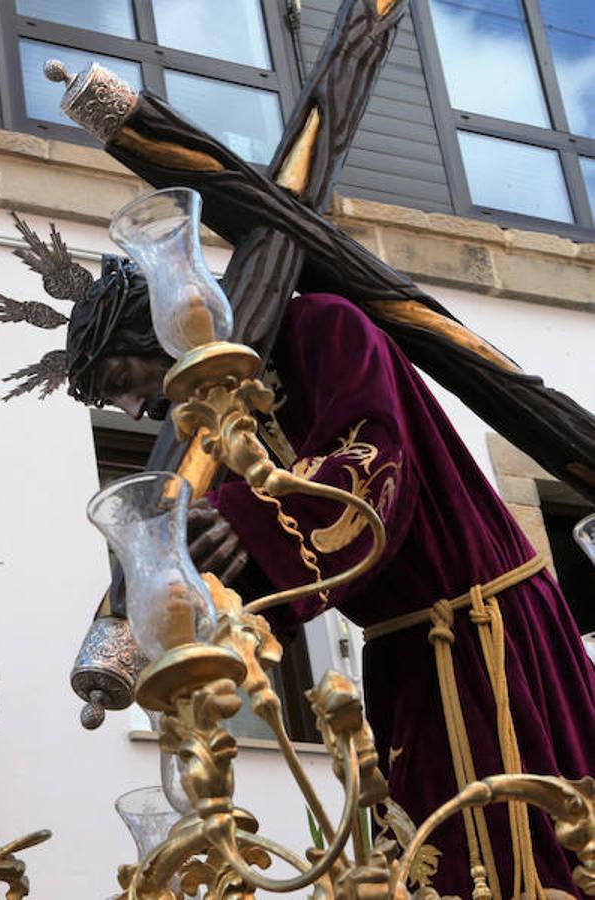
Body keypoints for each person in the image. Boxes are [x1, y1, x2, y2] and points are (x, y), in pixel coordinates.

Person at [65, 257, 595, 898]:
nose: (138, 405)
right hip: (402, 650)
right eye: (114, 399)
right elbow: (255, 572)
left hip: (483, 627)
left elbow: (375, 460)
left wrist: (244, 516)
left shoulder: (324, 325)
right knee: (418, 845)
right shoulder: (219, 418)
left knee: (510, 847)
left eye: (125, 379)